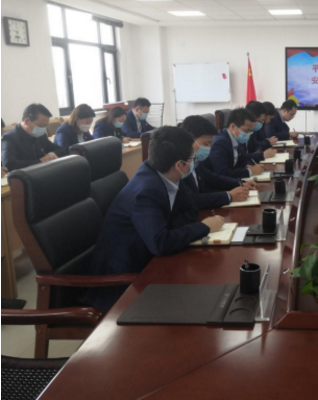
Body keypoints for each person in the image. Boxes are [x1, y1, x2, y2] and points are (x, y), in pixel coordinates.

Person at [86, 126, 225, 312]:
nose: (194, 163)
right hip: (122, 284)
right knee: (202, 303)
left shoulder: (164, 174)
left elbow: (190, 209)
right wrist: (204, 227)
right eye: (192, 159)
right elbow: (160, 243)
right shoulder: (146, 191)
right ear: (179, 165)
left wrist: (183, 228)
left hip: (149, 261)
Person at [180, 115, 258, 210]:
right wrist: (229, 196)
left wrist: (240, 183)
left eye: (210, 144)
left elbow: (211, 177)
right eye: (206, 144)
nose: (209, 148)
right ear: (189, 140)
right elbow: (190, 200)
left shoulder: (195, 159)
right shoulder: (179, 165)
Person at [1, 104, 65, 171]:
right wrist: (40, 161)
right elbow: (9, 164)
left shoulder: (40, 135)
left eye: (46, 126)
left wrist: (52, 154)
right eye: (41, 126)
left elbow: (61, 150)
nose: (43, 129)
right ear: (27, 121)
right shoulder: (9, 138)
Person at [209, 109, 265, 179]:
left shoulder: (234, 138)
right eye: (246, 131)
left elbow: (242, 159)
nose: (248, 135)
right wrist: (249, 171)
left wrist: (247, 165)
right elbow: (222, 172)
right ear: (233, 126)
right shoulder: (220, 143)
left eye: (250, 132)